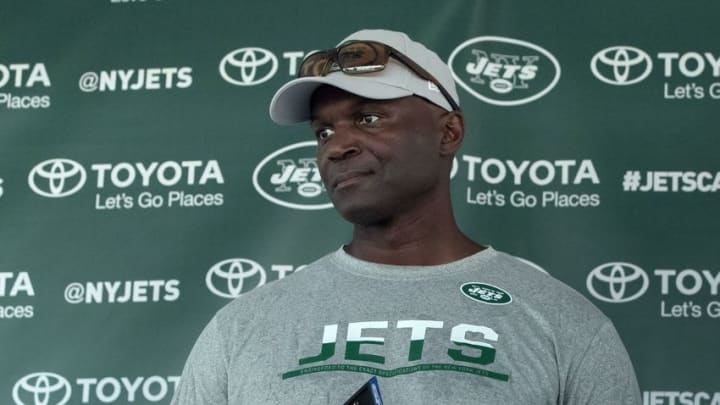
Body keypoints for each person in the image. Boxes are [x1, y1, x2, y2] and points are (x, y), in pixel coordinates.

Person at [171, 29, 642, 404]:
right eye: (323, 132)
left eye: (369, 118)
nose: (337, 146)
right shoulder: (242, 327)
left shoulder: (560, 321)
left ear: (449, 132)